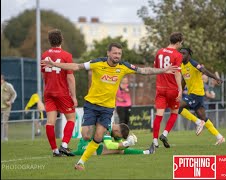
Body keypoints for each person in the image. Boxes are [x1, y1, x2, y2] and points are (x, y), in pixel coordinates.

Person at [41, 42, 178, 170]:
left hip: (107, 108)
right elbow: (77, 66)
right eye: (115, 53)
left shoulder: (123, 67)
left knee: (99, 136)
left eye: (119, 53)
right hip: (92, 105)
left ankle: (81, 162)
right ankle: (85, 149)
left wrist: (163, 70)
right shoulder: (97, 63)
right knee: (86, 134)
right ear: (108, 53)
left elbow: (144, 71)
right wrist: (56, 64)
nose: (117, 56)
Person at [41, 29, 77, 157]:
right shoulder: (66, 55)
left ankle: (55, 150)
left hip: (48, 92)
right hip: (61, 92)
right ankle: (64, 146)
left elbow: (44, 75)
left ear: (50, 40)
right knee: (72, 118)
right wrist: (74, 96)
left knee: (50, 121)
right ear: (61, 39)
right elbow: (70, 77)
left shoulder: (44, 55)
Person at [178, 47, 225, 145]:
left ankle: (198, 122)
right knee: (203, 117)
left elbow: (204, 71)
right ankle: (220, 137)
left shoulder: (194, 63)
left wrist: (216, 78)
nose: (181, 55)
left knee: (177, 106)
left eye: (184, 53)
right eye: (180, 53)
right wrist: (180, 91)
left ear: (189, 55)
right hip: (194, 95)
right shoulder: (182, 66)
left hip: (197, 93)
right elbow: (183, 80)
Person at [152, 32, 183, 148]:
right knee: (174, 113)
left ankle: (154, 140)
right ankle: (164, 134)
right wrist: (180, 89)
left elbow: (155, 68)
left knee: (158, 115)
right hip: (172, 88)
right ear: (179, 42)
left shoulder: (159, 51)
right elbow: (177, 72)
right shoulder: (178, 55)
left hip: (160, 88)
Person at [72, 123, 155, 156]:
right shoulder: (107, 129)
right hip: (84, 146)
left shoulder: (113, 131)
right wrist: (126, 143)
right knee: (97, 149)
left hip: (91, 145)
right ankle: (69, 153)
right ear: (117, 131)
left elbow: (120, 147)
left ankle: (146, 152)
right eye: (120, 136)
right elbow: (110, 145)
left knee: (119, 150)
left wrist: (128, 144)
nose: (119, 138)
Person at [1, 74, 17, 141]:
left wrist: (10, 101)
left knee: (5, 122)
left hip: (6, 107)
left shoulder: (8, 85)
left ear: (3, 79)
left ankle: (5, 137)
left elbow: (14, 94)